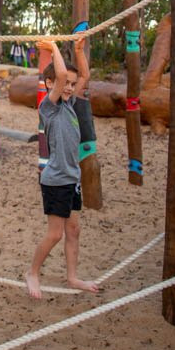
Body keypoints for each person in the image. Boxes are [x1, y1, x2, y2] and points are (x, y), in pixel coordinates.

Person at [25, 38, 99, 299]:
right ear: (51, 85)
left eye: (71, 84)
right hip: (55, 180)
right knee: (55, 234)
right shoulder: (50, 108)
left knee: (73, 230)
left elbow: (85, 75)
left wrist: (78, 51)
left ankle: (72, 277)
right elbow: (59, 76)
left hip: (72, 178)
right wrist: (54, 46)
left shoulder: (68, 105)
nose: (69, 87)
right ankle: (32, 272)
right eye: (64, 84)